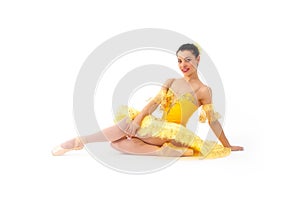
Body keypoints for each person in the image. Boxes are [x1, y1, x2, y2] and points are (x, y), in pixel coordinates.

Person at [52, 43, 243, 158]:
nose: (183, 65)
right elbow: (152, 104)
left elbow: (212, 121)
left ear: (198, 59)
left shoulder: (204, 90)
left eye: (187, 60)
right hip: (159, 128)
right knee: (115, 143)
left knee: (122, 130)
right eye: (179, 61)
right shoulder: (171, 81)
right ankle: (166, 152)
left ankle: (80, 141)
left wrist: (227, 145)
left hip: (176, 132)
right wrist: (138, 119)